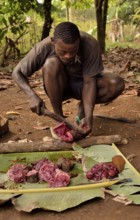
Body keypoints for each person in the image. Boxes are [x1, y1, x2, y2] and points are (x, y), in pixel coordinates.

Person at [12, 21, 124, 135]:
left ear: (79, 42)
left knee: (116, 84)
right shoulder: (43, 48)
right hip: (59, 87)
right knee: (51, 64)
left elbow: (89, 83)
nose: (68, 56)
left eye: (73, 51)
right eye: (63, 51)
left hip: (82, 86)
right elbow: (17, 72)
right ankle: (59, 120)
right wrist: (32, 95)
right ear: (52, 42)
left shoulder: (90, 44)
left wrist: (89, 116)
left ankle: (83, 108)